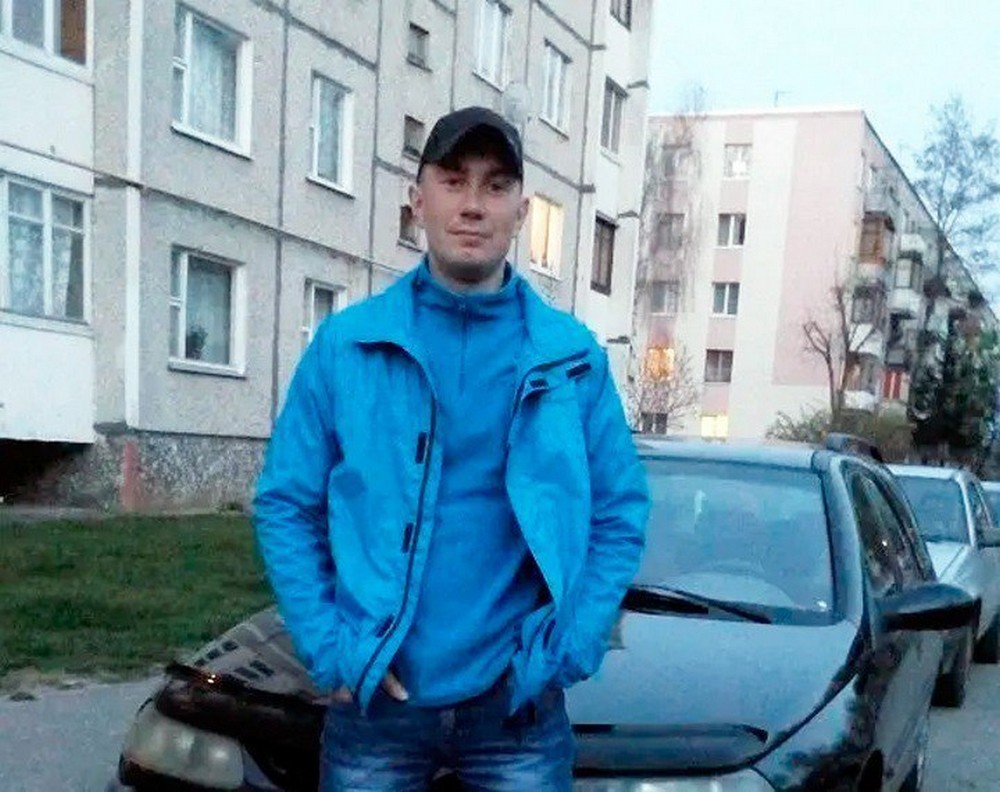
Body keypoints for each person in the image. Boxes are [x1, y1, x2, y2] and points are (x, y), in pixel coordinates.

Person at [253, 106, 649, 791]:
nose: (472, 205)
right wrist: (331, 649)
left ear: (521, 211)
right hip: (377, 709)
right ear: (418, 200)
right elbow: (286, 504)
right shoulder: (348, 347)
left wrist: (571, 644)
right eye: (454, 180)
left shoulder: (572, 359)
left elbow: (620, 511)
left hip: (516, 713)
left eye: (495, 185)